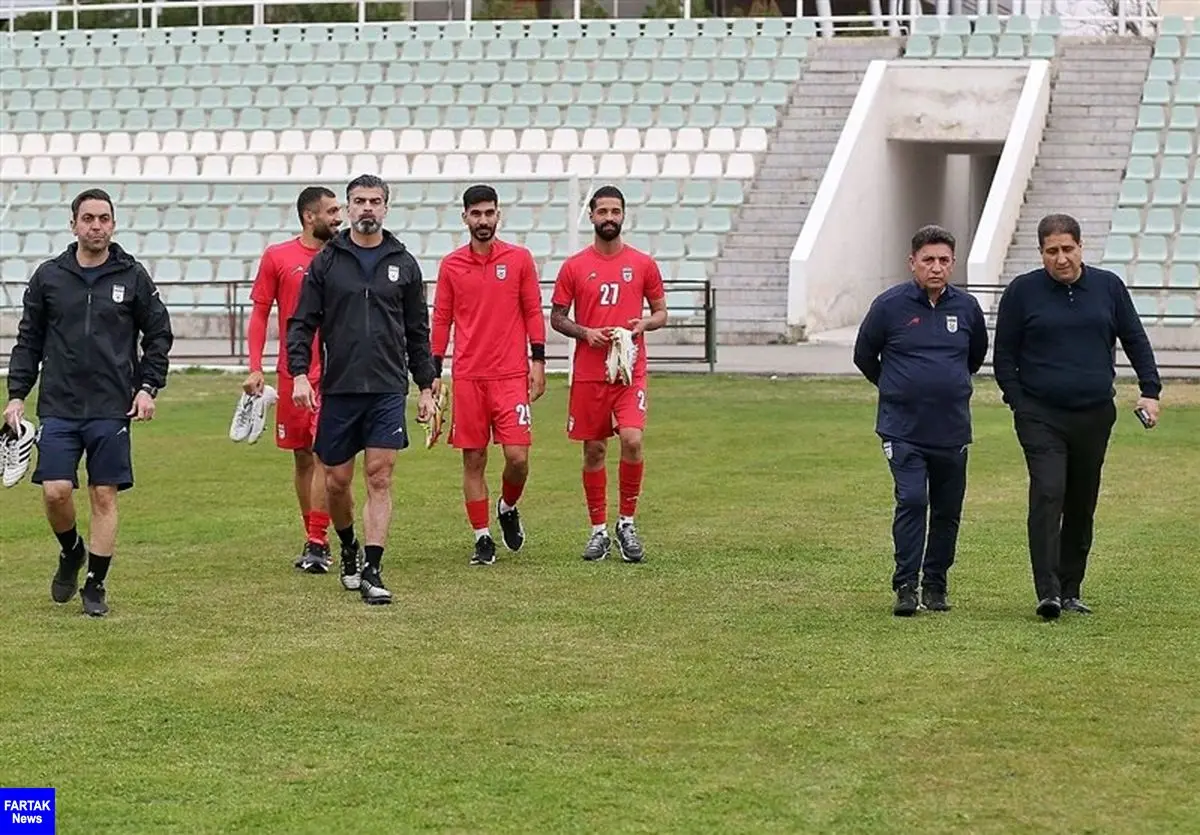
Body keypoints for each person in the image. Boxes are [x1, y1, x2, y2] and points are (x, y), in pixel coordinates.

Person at [4, 188, 174, 618]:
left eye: (104, 218)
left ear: (113, 225)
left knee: (103, 494)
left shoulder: (133, 276)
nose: (96, 226)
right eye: (88, 218)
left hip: (112, 407)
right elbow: (29, 341)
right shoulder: (49, 276)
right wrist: (17, 396)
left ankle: (95, 585)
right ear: (73, 223)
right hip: (59, 405)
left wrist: (147, 387)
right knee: (56, 492)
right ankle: (71, 551)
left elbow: (158, 337)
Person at [994, 213, 1162, 620]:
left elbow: (1134, 338)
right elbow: (1004, 355)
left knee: (1081, 501)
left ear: (1081, 247)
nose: (1061, 258)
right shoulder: (1022, 292)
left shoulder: (1108, 288)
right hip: (1040, 415)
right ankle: (1048, 591)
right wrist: (1020, 402)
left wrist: (1150, 391)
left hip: (1093, 415)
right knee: (1048, 492)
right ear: (1041, 253)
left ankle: (1071, 588)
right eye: (1052, 251)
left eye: (1068, 249)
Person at [286, 175, 437, 606]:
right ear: (348, 209)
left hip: (388, 388)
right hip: (341, 388)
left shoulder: (403, 263)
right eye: (358, 201)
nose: (367, 208)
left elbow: (417, 332)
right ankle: (348, 545)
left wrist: (426, 386)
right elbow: (302, 323)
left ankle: (372, 567)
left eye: (375, 201)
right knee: (336, 482)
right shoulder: (328, 262)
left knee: (380, 476)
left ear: (386, 207)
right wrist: (299, 374)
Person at [853, 225, 989, 617]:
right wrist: (895, 387)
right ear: (912, 262)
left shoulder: (966, 309)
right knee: (912, 500)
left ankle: (935, 584)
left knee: (947, 510)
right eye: (928, 260)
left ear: (953, 263)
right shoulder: (889, 306)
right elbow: (865, 356)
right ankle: (905, 585)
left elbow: (974, 357)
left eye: (944, 260)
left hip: (951, 428)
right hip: (903, 428)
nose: (936, 267)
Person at [550, 185, 668, 563]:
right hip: (589, 372)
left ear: (624, 214)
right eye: (602, 212)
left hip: (629, 372)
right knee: (595, 448)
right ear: (591, 216)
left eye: (615, 211)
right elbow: (557, 317)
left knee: (632, 439)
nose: (609, 218)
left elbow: (662, 312)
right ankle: (598, 530)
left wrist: (644, 323)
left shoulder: (643, 264)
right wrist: (586, 333)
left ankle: (627, 522)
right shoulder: (574, 266)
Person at [431, 185, 547, 566]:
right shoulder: (451, 265)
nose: (483, 221)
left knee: (517, 458)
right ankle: (482, 537)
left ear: (499, 215)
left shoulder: (518, 259)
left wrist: (538, 361)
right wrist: (433, 374)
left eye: (489, 213)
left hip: (511, 375)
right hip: (469, 377)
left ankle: (507, 506)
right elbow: (442, 319)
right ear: (464, 217)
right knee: (474, 459)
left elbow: (532, 310)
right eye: (476, 214)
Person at [242, 187, 342, 574]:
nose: (339, 217)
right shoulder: (278, 257)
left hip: (335, 373)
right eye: (331, 211)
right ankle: (314, 536)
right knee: (303, 457)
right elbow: (260, 313)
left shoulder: (344, 256)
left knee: (326, 457)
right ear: (308, 216)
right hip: (293, 372)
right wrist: (255, 365)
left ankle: (318, 540)